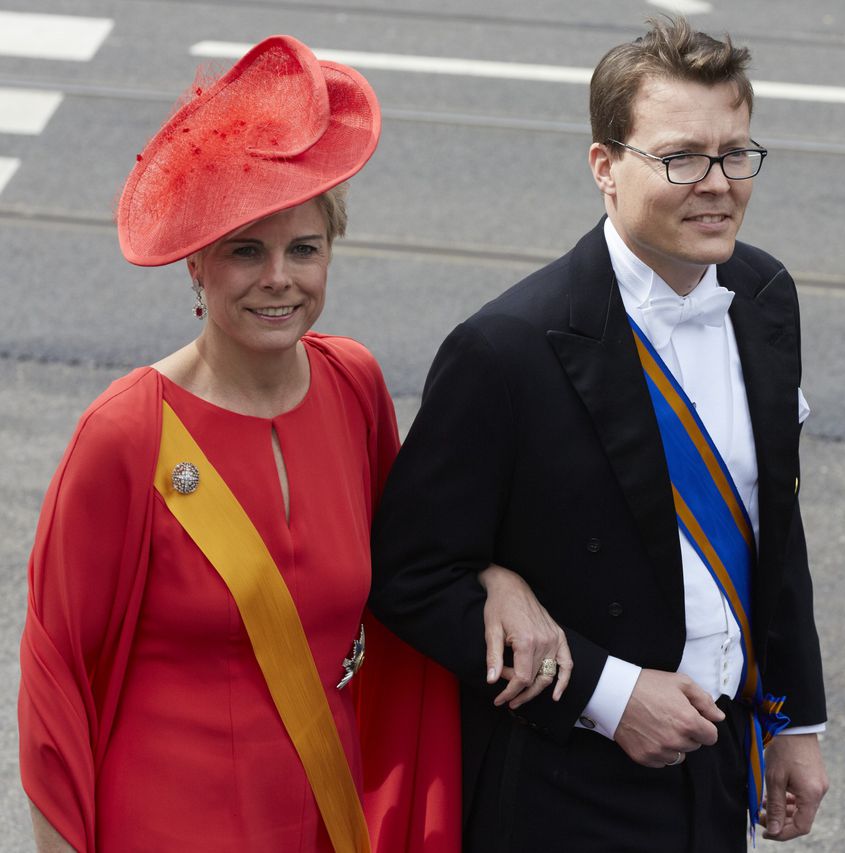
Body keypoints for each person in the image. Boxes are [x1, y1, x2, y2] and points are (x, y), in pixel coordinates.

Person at [18, 35, 569, 853]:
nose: (279, 277)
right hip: (163, 827)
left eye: (303, 249)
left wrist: (496, 576)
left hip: (324, 818)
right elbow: (54, 692)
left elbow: (412, 559)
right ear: (197, 266)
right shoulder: (127, 432)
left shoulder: (353, 387)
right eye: (247, 249)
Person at [369, 16, 828, 852]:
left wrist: (794, 719)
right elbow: (409, 574)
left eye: (735, 152)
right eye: (681, 156)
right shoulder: (506, 347)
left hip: (717, 765)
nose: (717, 183)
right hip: (563, 785)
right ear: (605, 168)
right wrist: (607, 695)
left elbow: (775, 525)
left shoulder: (764, 295)